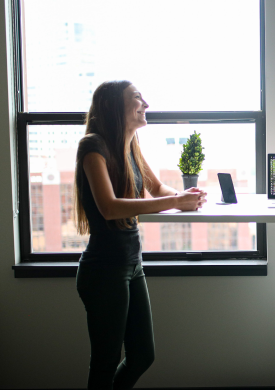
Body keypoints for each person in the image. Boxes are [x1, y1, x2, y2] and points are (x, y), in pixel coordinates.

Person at [74, 80, 206, 389]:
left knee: (143, 356)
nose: (145, 103)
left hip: (132, 266)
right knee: (105, 364)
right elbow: (108, 207)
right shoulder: (93, 146)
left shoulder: (131, 146)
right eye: (136, 98)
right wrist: (175, 201)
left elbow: (158, 189)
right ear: (113, 107)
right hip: (103, 271)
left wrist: (189, 197)